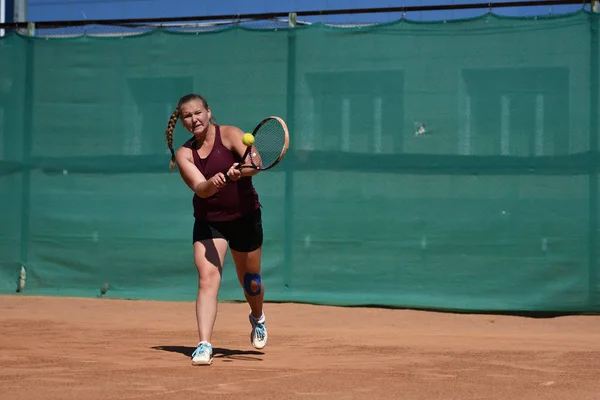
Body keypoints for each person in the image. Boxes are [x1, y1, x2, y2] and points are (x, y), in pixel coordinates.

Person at [164, 93, 267, 366]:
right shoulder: (185, 153)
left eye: (198, 113)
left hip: (245, 217)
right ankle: (204, 344)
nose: (194, 119)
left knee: (251, 281)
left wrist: (239, 172)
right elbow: (201, 188)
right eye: (187, 116)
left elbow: (255, 164)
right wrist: (216, 182)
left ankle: (257, 316)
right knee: (208, 278)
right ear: (183, 121)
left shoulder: (231, 134)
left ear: (208, 112)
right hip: (210, 222)